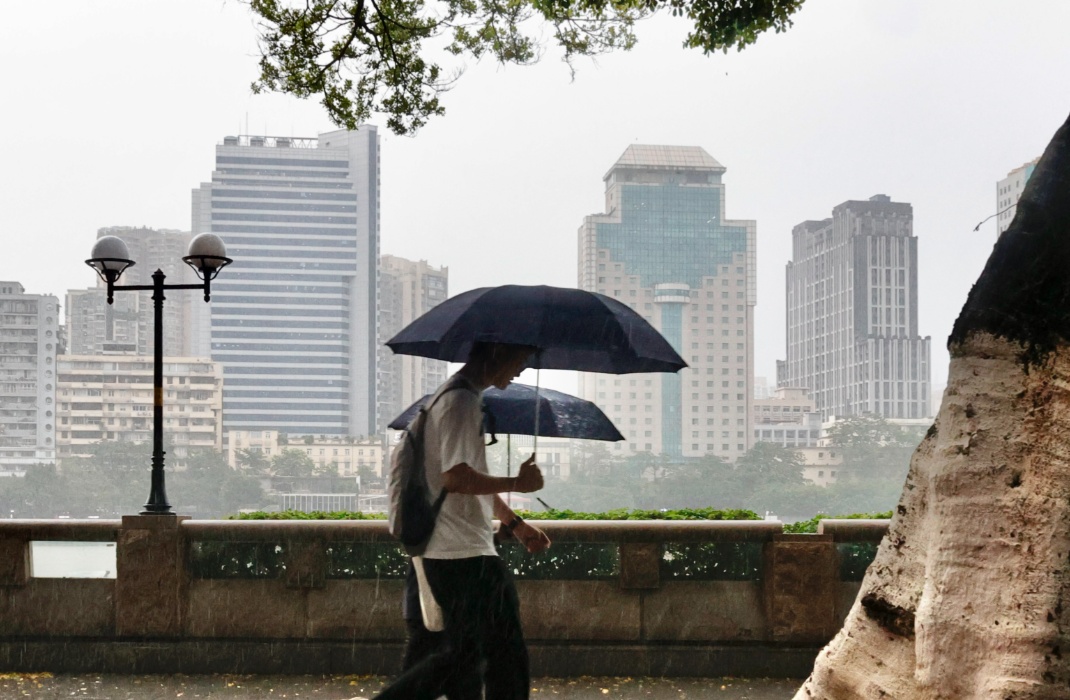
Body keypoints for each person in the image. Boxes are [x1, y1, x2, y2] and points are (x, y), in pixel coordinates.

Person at [375, 342, 551, 700]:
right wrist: (518, 483)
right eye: (518, 359)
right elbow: (456, 479)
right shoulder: (461, 402)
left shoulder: (453, 397)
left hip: (456, 550)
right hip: (462, 554)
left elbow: (468, 479)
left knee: (467, 655)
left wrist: (514, 523)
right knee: (499, 653)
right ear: (495, 354)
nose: (520, 370)